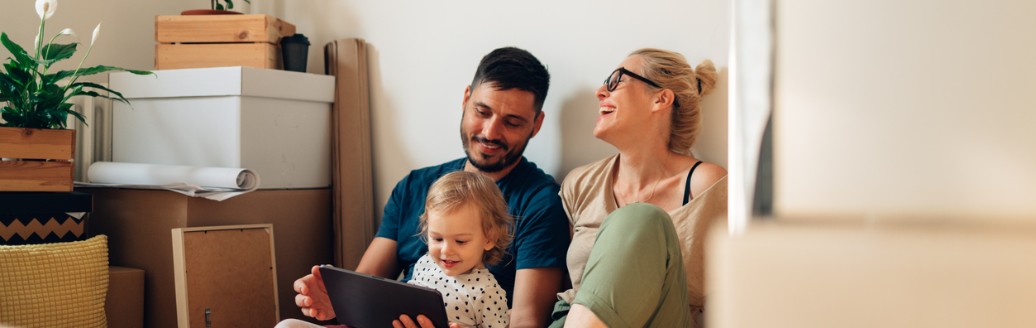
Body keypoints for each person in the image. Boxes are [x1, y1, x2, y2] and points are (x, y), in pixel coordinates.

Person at [284, 47, 570, 328]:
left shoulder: (540, 203)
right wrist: (338, 302)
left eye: (512, 122)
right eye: (482, 111)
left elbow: (526, 321)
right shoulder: (414, 186)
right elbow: (366, 283)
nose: (490, 132)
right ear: (466, 99)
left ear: (536, 124)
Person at [552, 48, 728, 328]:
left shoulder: (705, 184)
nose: (600, 92)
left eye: (615, 81)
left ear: (661, 98)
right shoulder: (580, 184)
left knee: (642, 218)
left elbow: (731, 291)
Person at [404, 171, 514, 328]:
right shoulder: (425, 262)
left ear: (489, 238)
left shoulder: (487, 293)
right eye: (437, 238)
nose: (446, 251)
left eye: (460, 241)